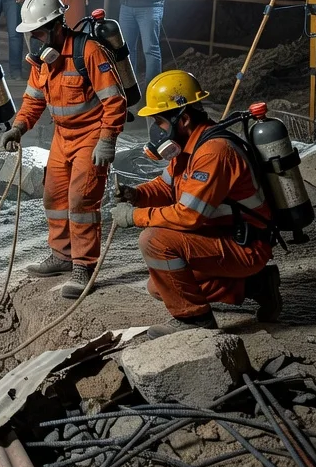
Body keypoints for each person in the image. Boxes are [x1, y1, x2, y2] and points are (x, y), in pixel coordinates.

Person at [106, 70, 283, 339]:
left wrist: (135, 216)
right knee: (160, 285)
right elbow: (165, 186)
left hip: (245, 245)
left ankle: (195, 319)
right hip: (220, 237)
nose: (157, 130)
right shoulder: (189, 145)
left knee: (154, 241)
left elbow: (188, 215)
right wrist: (136, 195)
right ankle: (256, 286)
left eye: (160, 121)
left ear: (184, 119)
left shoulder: (214, 152)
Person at [2, 0, 127, 298]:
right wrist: (18, 127)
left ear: (58, 26)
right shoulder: (41, 62)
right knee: (54, 196)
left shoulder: (89, 51)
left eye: (39, 33)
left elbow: (115, 101)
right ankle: (62, 255)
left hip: (91, 136)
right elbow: (33, 100)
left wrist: (107, 140)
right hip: (62, 136)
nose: (35, 41)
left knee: (81, 201)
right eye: (32, 35)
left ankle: (83, 265)